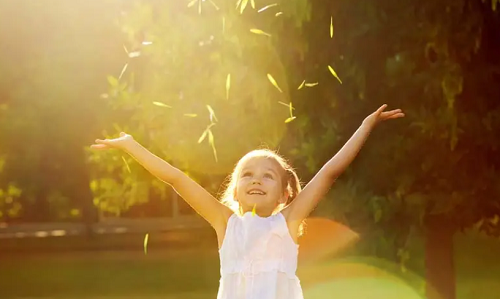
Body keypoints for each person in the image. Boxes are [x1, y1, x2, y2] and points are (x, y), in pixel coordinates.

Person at [91, 104, 404, 299]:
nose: (256, 179)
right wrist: (131, 146)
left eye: (268, 176)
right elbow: (176, 179)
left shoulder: (287, 223)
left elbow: (329, 173)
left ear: (285, 193)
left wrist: (365, 127)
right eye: (248, 174)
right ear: (235, 191)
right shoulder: (226, 225)